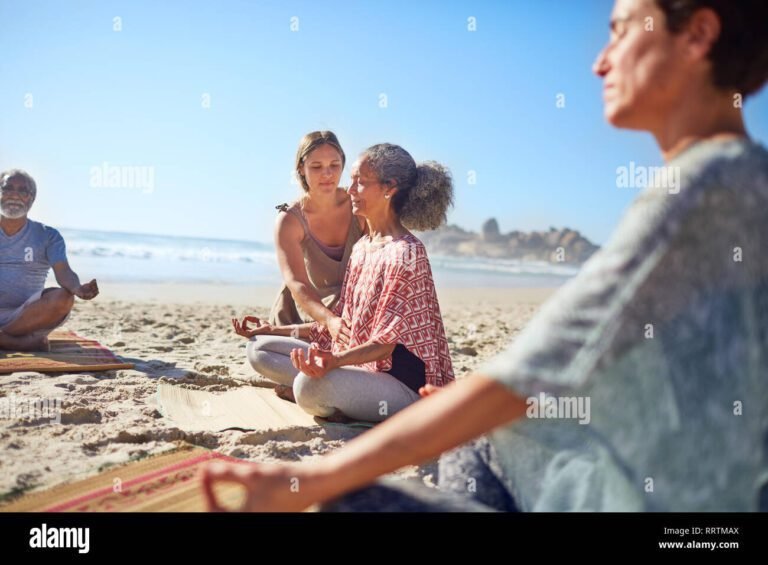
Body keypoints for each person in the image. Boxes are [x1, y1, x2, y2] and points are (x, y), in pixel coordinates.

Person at [203, 0, 768, 512]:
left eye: (619, 32)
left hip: (596, 489)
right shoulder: (734, 181)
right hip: (541, 466)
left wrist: (317, 480)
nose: (600, 62)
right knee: (462, 456)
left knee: (351, 502)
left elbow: (517, 380)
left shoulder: (704, 196)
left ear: (697, 35)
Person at [232, 143, 455, 423]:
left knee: (307, 386)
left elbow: (384, 346)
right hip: (358, 366)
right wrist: (275, 329)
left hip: (401, 386)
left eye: (359, 183)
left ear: (390, 189)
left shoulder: (407, 253)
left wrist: (333, 363)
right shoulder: (363, 247)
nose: (349, 190)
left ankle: (342, 400)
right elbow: (342, 328)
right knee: (260, 348)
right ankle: (343, 399)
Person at [249, 131, 366, 348]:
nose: (327, 174)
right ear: (301, 169)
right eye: (316, 167)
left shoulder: (358, 206)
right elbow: (296, 283)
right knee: (260, 352)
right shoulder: (290, 220)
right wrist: (329, 320)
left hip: (354, 310)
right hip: (306, 313)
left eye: (334, 165)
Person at [0, 169, 99, 352]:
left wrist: (77, 288)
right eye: (8, 188)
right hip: (21, 329)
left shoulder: (47, 235)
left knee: (63, 297)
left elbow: (64, 272)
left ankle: (4, 337)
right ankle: (17, 342)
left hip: (26, 314)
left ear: (31, 198)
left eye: (23, 190)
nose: (15, 194)